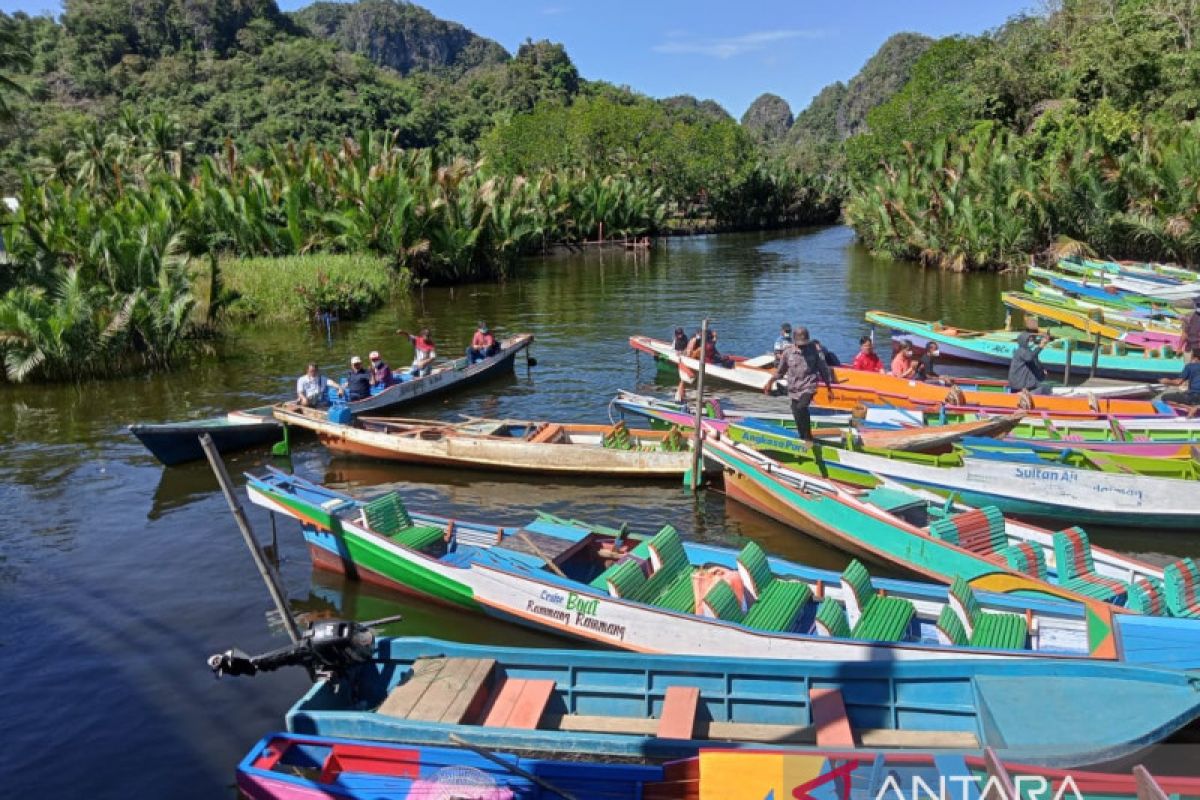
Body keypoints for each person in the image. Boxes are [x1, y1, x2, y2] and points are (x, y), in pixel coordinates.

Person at [762, 326, 834, 442]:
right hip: (794, 388)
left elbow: (823, 369)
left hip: (809, 386)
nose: (803, 347)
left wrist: (829, 388)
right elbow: (780, 371)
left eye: (804, 344)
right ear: (794, 341)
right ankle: (802, 437)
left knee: (802, 407)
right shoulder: (788, 352)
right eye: (800, 344)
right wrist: (770, 382)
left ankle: (808, 437)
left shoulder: (815, 351)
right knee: (796, 413)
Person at [1008, 319, 1052, 395]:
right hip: (1020, 388)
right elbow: (1030, 357)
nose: (1031, 340)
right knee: (1045, 390)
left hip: (1028, 386)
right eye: (1029, 339)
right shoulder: (1021, 351)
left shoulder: (1028, 352)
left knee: (1047, 389)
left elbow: (1035, 362)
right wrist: (1040, 346)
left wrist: (1043, 372)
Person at [1160, 349, 1200, 415]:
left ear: (1195, 357)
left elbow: (1178, 382)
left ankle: (1189, 408)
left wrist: (1166, 381)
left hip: (1194, 395)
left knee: (1164, 397)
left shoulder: (1190, 366)